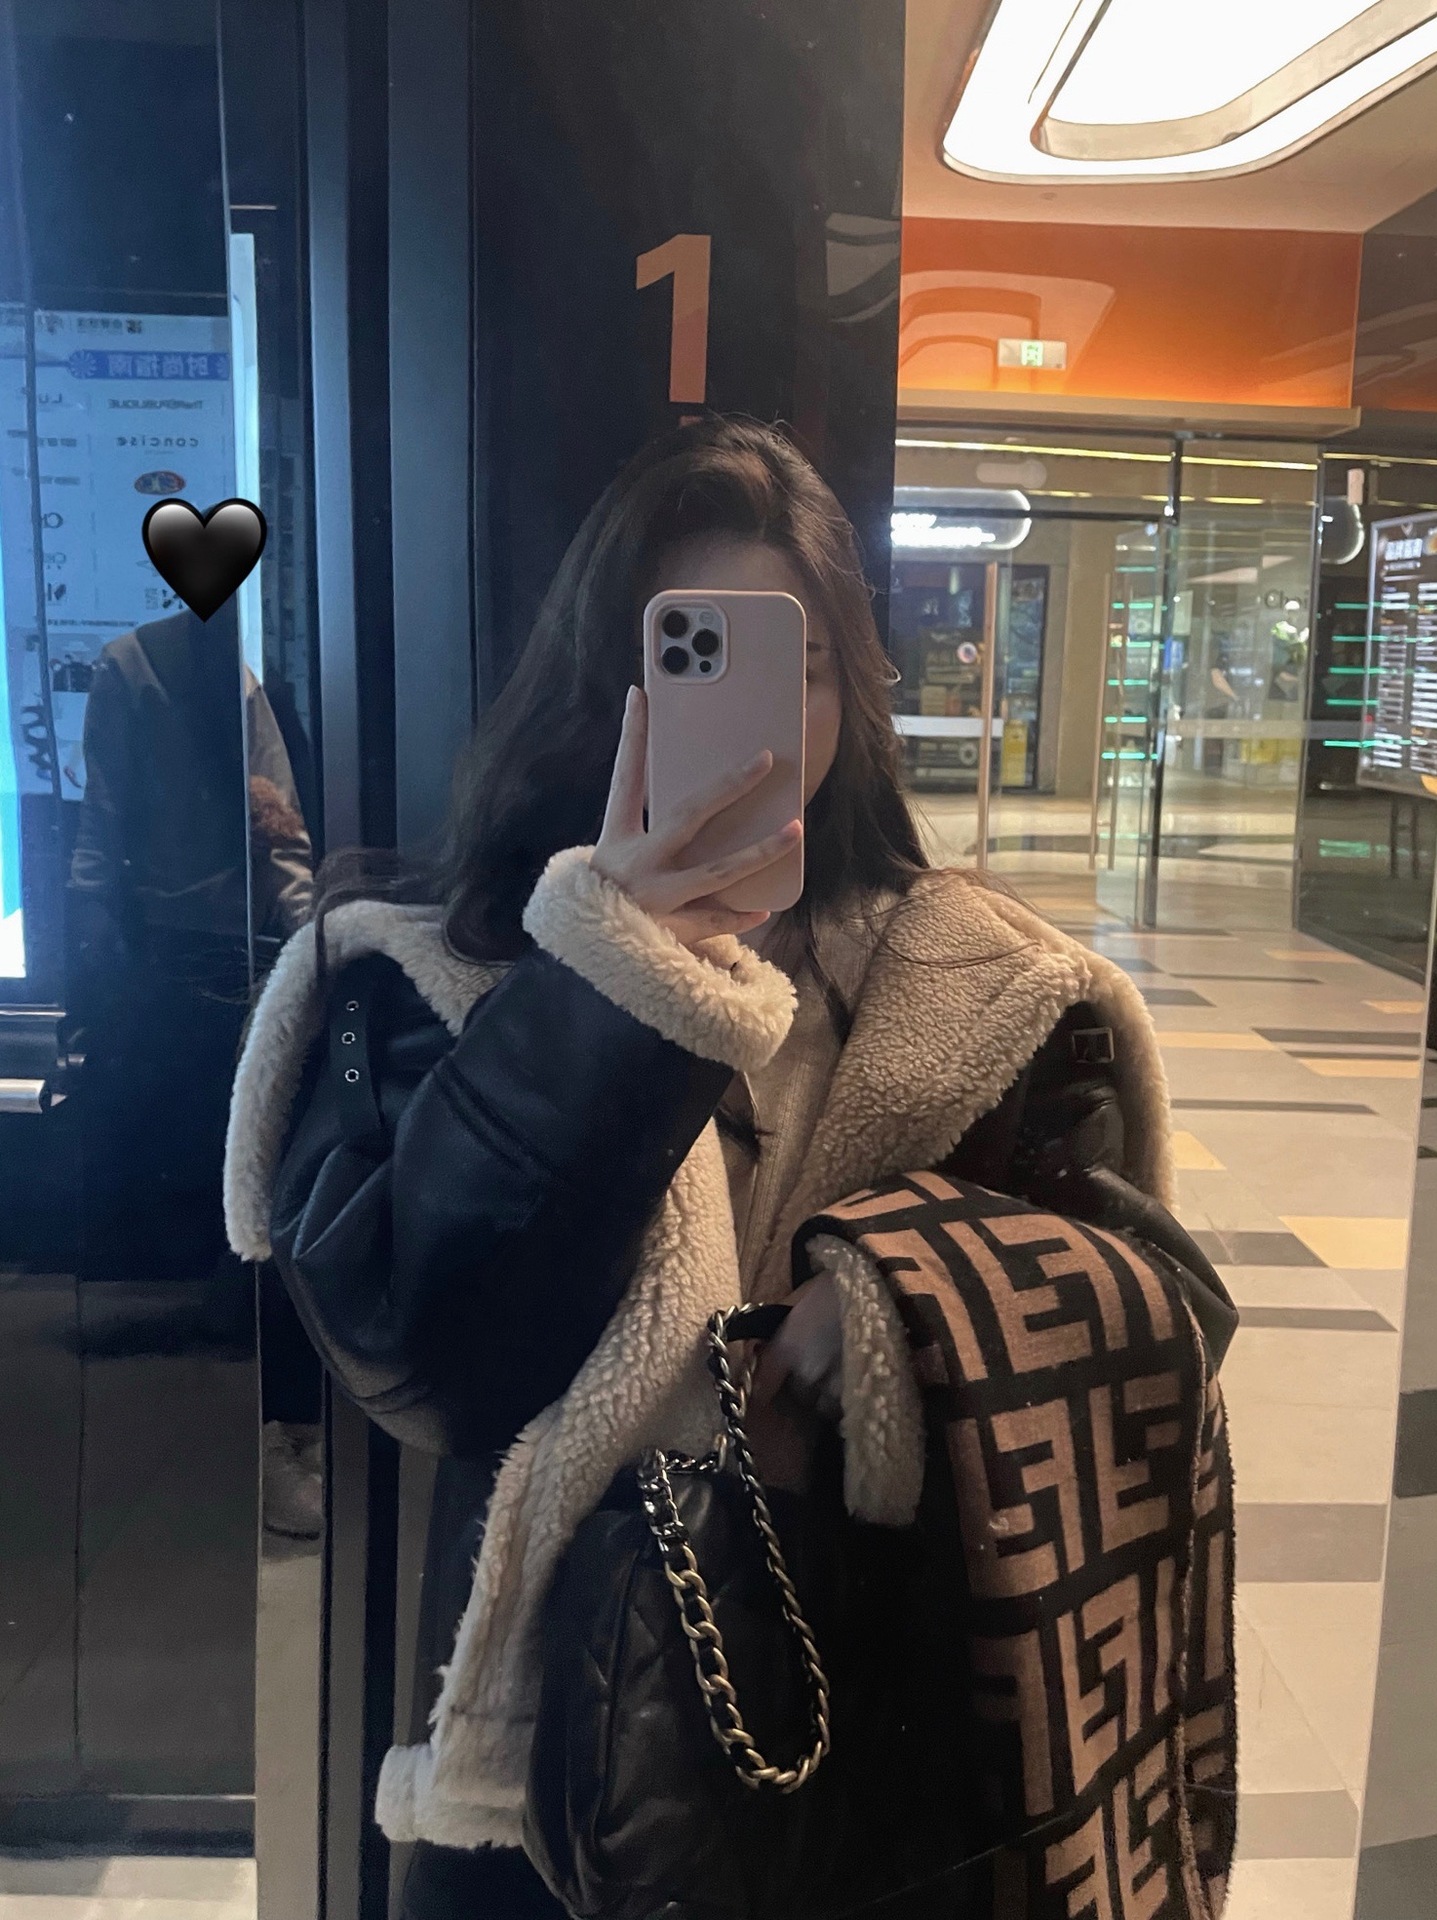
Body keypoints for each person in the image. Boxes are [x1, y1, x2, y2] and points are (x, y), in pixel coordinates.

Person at [223, 418, 1236, 1919]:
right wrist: (610, 985)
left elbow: (1153, 1321)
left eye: (802, 667)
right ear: (602, 682)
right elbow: (422, 1357)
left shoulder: (998, 995)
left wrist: (895, 1306)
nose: (762, 721)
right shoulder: (431, 972)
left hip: (901, 1760)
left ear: (854, 692)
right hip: (566, 1775)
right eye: (691, 659)